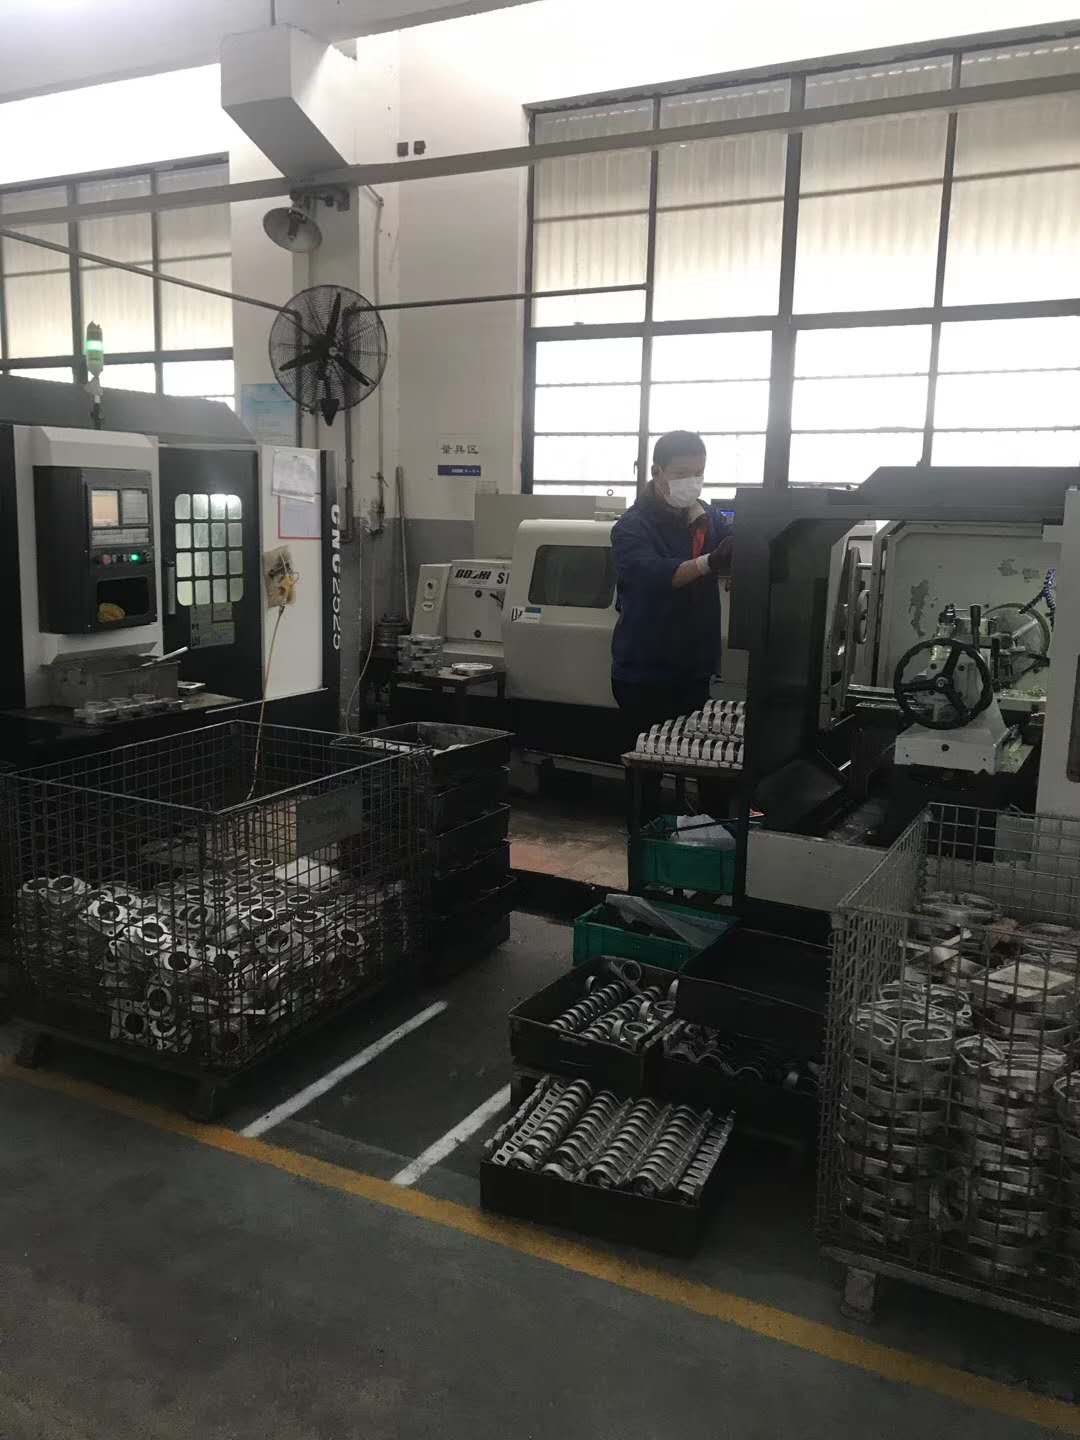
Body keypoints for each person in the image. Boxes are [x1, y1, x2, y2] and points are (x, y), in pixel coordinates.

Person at [610, 430, 733, 760]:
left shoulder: (707, 518)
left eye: (699, 473)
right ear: (657, 472)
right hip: (645, 673)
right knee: (646, 762)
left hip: (693, 669)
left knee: (697, 757)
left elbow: (736, 544)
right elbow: (656, 576)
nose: (691, 482)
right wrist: (710, 562)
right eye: (681, 474)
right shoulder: (632, 527)